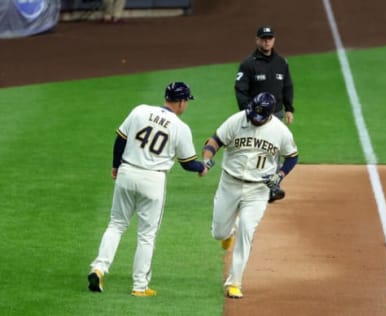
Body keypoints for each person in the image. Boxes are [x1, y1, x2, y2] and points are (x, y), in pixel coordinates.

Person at [87, 82, 210, 297]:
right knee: (146, 235)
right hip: (153, 180)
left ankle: (98, 268)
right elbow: (188, 163)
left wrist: (116, 166)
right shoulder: (180, 127)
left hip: (127, 172)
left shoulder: (140, 110)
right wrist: (203, 167)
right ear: (181, 102)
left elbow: (120, 140)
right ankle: (139, 286)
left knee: (116, 225)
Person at [202, 92, 298, 299]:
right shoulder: (237, 120)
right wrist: (207, 159)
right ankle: (228, 233)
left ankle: (234, 282)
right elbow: (214, 140)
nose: (254, 118)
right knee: (218, 232)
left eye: (259, 116)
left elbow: (292, 156)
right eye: (253, 113)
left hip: (258, 190)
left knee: (247, 230)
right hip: (229, 183)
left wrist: (280, 175)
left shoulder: (280, 131)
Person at [234, 25, 295, 203]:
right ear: (257, 40)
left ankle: (272, 186)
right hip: (255, 116)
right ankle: (247, 183)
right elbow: (240, 89)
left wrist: (289, 108)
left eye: (270, 38)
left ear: (274, 40)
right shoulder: (248, 63)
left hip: (276, 114)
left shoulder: (281, 62)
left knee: (273, 149)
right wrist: (248, 112)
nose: (267, 41)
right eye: (264, 38)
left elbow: (287, 86)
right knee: (253, 148)